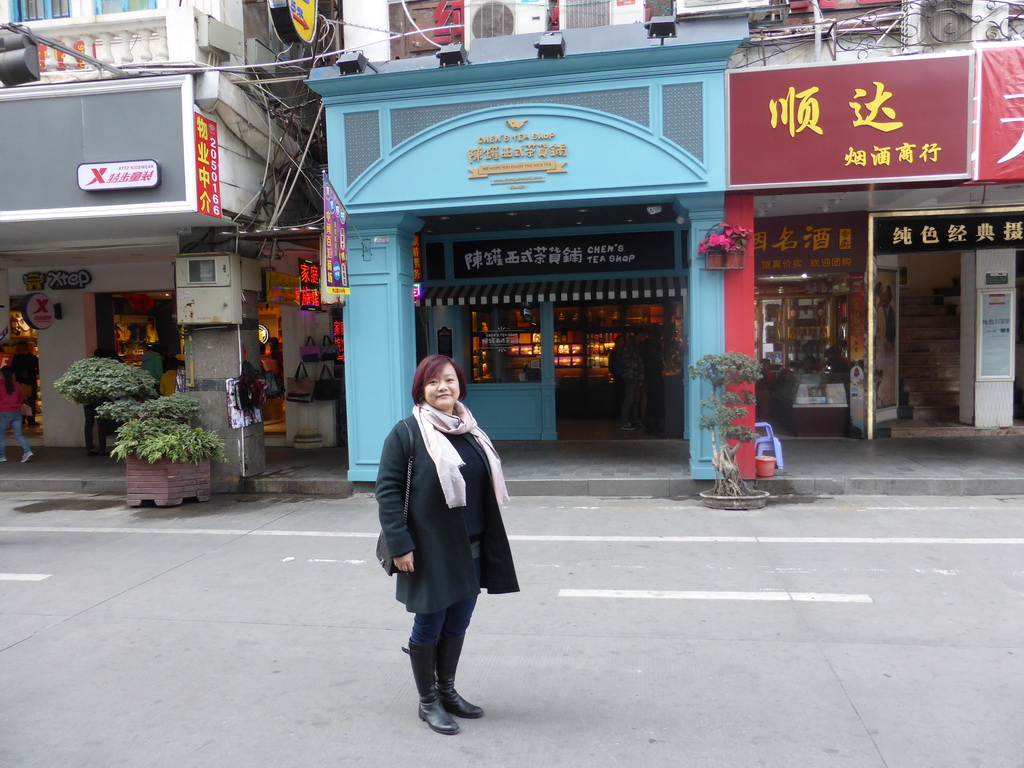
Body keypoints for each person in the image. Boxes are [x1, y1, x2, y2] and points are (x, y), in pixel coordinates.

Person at [376, 354, 519, 736]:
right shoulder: (407, 432)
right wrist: (400, 544)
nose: (443, 387)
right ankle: (428, 703)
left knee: (459, 622)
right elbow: (388, 492)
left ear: (460, 386)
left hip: (471, 546)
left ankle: (447, 691)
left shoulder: (469, 431)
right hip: (428, 548)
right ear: (421, 389)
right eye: (434, 382)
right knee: (430, 623)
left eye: (450, 380)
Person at [84, 349, 119, 456]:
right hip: (100, 397)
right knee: (101, 423)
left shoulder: (86, 365)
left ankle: (90, 447)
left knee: (89, 423)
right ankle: (102, 448)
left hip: (87, 397)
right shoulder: (104, 366)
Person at [0, 365, 34, 463]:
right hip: (16, 412)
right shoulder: (16, 384)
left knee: (1, 436)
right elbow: (21, 399)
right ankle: (28, 451)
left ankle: (1, 456)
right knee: (19, 435)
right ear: (12, 374)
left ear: (1, 373)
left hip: (3, 412)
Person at [619, 333, 644, 430]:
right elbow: (626, 359)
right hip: (632, 375)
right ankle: (624, 421)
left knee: (633, 398)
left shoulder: (633, 345)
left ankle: (634, 419)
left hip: (633, 375)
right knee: (630, 398)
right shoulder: (631, 346)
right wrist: (636, 366)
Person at [11, 341, 39, 426]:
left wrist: (30, 373)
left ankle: (29, 419)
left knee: (29, 401)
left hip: (29, 382)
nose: (17, 349)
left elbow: (38, 369)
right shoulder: (17, 358)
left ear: (23, 347)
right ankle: (24, 419)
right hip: (22, 382)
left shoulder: (32, 358)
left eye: (18, 347)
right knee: (22, 401)